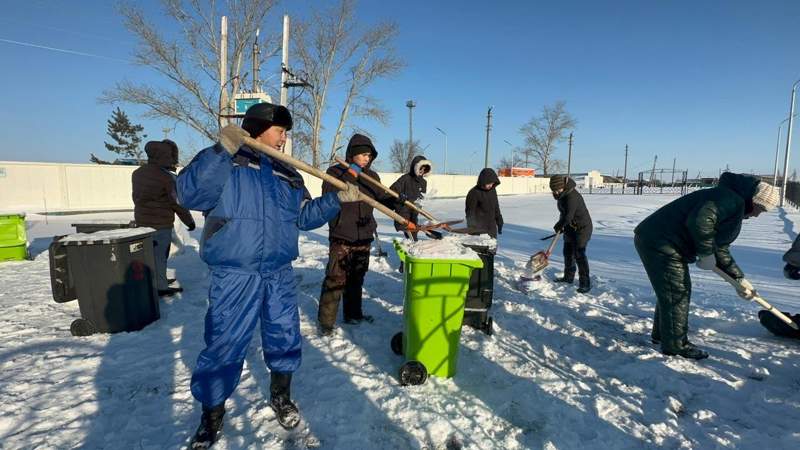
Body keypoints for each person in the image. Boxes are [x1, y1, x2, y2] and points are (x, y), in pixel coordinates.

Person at [176, 102, 361, 447]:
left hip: (278, 271)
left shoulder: (287, 172)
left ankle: (281, 396)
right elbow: (188, 193)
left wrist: (337, 199)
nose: (284, 139)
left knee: (283, 336)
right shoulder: (226, 160)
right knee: (224, 343)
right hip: (236, 273)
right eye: (280, 131)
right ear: (260, 127)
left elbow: (304, 216)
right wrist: (221, 151)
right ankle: (211, 415)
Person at [634, 173, 779, 360]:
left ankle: (663, 335)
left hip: (658, 239)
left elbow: (720, 247)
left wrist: (739, 279)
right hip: (662, 242)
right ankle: (676, 345)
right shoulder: (730, 199)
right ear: (755, 201)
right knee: (676, 292)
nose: (758, 215)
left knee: (671, 291)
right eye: (761, 209)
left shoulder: (731, 200)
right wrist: (705, 252)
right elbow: (701, 222)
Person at [318, 134, 400, 336]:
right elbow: (328, 194)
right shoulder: (335, 172)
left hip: (363, 235)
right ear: (352, 154)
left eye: (369, 156)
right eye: (363, 155)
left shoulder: (372, 177)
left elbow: (383, 199)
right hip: (342, 235)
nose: (367, 159)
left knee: (356, 278)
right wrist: (351, 174)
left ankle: (353, 315)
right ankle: (326, 323)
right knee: (335, 279)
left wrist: (397, 199)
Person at [131, 139, 195, 297]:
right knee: (160, 256)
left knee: (149, 255)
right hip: (161, 223)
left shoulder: (138, 173)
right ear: (164, 156)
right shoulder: (166, 177)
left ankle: (155, 281)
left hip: (142, 222)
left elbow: (136, 197)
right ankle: (160, 287)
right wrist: (189, 221)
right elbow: (177, 203)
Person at [549, 176, 593, 293]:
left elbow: (568, 215)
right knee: (568, 253)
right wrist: (562, 225)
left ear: (562, 186)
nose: (555, 192)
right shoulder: (561, 196)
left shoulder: (572, 196)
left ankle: (585, 283)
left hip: (582, 228)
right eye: (553, 190)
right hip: (570, 227)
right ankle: (568, 277)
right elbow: (564, 214)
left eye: (557, 189)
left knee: (579, 254)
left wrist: (560, 225)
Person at [390, 155, 432, 240]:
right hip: (403, 209)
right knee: (409, 230)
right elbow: (392, 190)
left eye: (424, 169)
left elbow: (422, 196)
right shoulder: (406, 178)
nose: (422, 171)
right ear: (415, 167)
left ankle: (412, 245)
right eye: (420, 168)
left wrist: (421, 201)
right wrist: (400, 195)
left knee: (414, 230)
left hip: (414, 211)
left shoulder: (423, 182)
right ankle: (411, 245)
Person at [465, 168, 504, 238]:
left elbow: (496, 207)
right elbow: (470, 212)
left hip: (491, 229)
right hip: (478, 230)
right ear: (483, 181)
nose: (490, 185)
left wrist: (499, 220)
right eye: (488, 183)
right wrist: (472, 229)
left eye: (492, 183)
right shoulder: (473, 193)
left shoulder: (492, 191)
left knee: (492, 247)